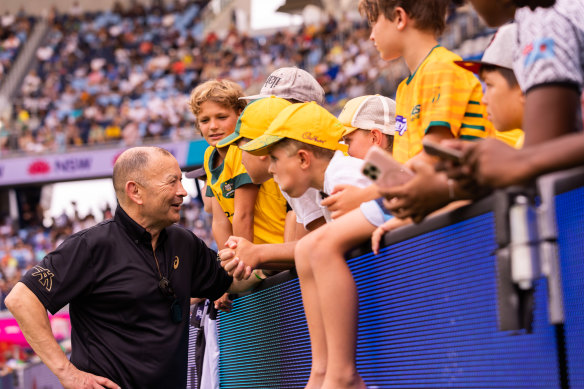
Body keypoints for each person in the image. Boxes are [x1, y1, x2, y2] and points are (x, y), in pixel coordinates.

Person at [4, 147, 253, 389]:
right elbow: (21, 298)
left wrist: (272, 259)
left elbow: (230, 280)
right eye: (172, 182)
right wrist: (66, 373)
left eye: (181, 181)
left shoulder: (184, 242)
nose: (183, 192)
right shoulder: (91, 246)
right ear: (135, 191)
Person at [238, 102, 393, 389]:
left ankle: (340, 373)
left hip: (399, 218)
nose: (270, 168)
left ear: (303, 159)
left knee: (316, 246)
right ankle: (321, 370)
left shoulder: (343, 175)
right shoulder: (339, 172)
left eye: (273, 158)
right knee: (306, 249)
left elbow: (395, 186)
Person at [358, 0, 494, 223]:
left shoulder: (442, 67)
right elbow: (406, 162)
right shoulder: (403, 89)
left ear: (400, 18)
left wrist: (363, 196)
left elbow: (432, 156)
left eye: (374, 23)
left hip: (458, 201)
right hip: (422, 196)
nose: (371, 36)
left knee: (318, 245)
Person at [443, 0, 584, 188]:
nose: (484, 99)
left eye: (490, 85)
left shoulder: (543, 15)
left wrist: (519, 161)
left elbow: (535, 168)